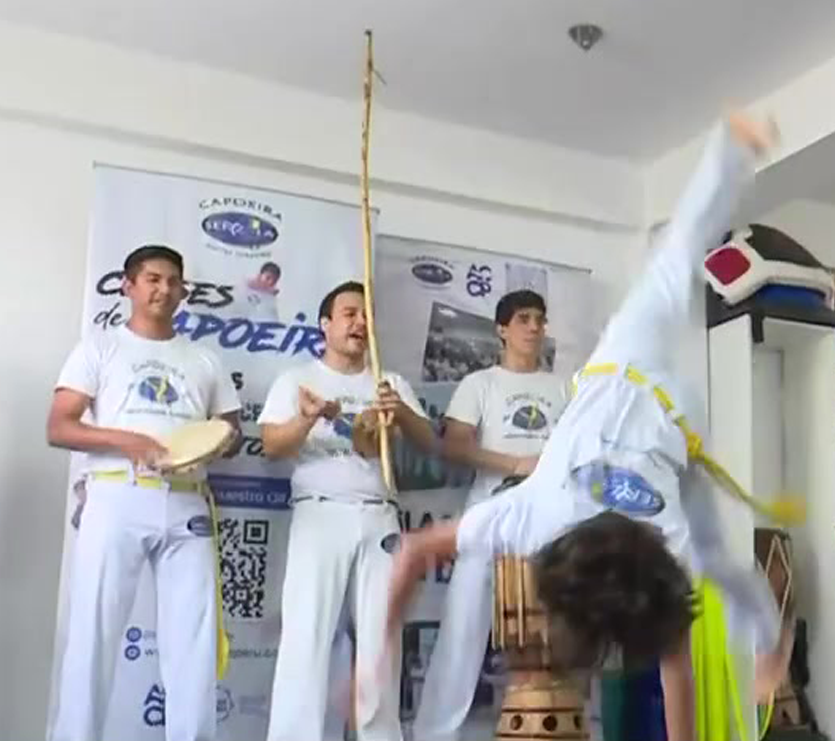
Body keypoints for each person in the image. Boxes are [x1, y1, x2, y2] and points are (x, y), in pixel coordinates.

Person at [373, 112, 794, 741]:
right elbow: (677, 671)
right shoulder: (543, 515)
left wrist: (373, 662)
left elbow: (676, 669)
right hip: (646, 387)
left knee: (720, 560)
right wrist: (376, 663)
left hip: (668, 408)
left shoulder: (643, 540)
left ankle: (771, 648)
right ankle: (732, 148)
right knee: (674, 258)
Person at [47, 244, 242, 741]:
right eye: (153, 279)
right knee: (93, 636)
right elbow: (60, 427)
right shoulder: (100, 347)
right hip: (118, 496)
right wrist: (128, 441)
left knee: (195, 644)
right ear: (128, 285)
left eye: (174, 281)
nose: (164, 289)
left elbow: (231, 431)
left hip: (188, 500)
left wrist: (218, 444)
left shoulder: (204, 358)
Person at [261, 281, 436, 741]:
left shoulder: (388, 382)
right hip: (320, 514)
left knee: (382, 643)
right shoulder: (297, 379)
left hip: (379, 516)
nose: (360, 323)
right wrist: (307, 418)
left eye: (366, 316)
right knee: (307, 637)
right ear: (326, 324)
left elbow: (428, 443)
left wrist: (400, 411)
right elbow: (272, 446)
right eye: (350, 313)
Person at [415, 289, 570, 741]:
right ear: (502, 329)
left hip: (549, 514)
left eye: (540, 319)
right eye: (524, 319)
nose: (534, 327)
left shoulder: (564, 387)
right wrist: (518, 464)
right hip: (491, 509)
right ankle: (434, 734)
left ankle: (553, 724)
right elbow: (455, 445)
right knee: (463, 625)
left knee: (553, 624)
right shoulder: (479, 384)